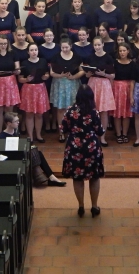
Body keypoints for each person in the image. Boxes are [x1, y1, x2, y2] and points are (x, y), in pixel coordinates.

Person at [61, 85, 105, 217]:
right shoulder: (93, 112)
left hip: (74, 147)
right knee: (94, 177)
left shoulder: (69, 111)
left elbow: (63, 129)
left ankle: (81, 206)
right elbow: (100, 131)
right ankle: (94, 206)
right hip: (91, 148)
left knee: (77, 178)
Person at [0, 113, 65, 186]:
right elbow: (5, 153)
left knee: (37, 153)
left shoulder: (16, 131)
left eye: (18, 120)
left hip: (19, 154)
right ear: (9, 123)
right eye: (16, 121)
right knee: (35, 154)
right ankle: (45, 177)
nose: (18, 122)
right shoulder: (2, 136)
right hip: (11, 158)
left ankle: (47, 177)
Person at [50, 37, 85, 142]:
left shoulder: (77, 57)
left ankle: (73, 130)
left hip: (73, 84)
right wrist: (60, 75)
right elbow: (52, 72)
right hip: (60, 84)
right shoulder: (55, 57)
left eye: (66, 47)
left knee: (73, 109)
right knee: (60, 109)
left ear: (71, 46)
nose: (64, 49)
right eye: (62, 47)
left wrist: (73, 77)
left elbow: (82, 71)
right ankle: (61, 132)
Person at [84, 36, 115, 146]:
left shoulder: (108, 58)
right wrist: (87, 74)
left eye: (99, 45)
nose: (97, 47)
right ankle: (91, 135)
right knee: (91, 110)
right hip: (92, 83)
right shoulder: (90, 57)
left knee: (103, 111)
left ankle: (102, 137)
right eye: (95, 45)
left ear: (103, 45)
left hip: (104, 84)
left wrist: (104, 74)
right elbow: (86, 72)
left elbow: (113, 75)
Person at [0, 36, 21, 134]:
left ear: (8, 43)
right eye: (1, 44)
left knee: (9, 110)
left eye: (5, 44)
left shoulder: (13, 53)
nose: (3, 46)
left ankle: (10, 132)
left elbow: (18, 69)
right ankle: (0, 132)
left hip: (10, 82)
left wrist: (17, 71)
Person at [18, 43, 50, 142]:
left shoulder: (43, 61)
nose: (34, 52)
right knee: (29, 114)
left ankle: (39, 135)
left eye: (35, 50)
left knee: (39, 114)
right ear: (28, 52)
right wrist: (26, 79)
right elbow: (20, 79)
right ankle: (30, 136)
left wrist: (46, 77)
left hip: (40, 89)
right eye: (31, 50)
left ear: (38, 51)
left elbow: (47, 73)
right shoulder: (24, 63)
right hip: (28, 89)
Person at [113, 42, 135, 143]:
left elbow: (133, 80)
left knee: (126, 113)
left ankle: (125, 134)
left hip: (128, 89)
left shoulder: (132, 63)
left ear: (128, 51)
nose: (122, 53)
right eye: (120, 51)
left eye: (124, 51)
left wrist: (131, 95)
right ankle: (118, 134)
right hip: (116, 89)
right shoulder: (115, 62)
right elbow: (112, 78)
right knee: (117, 113)